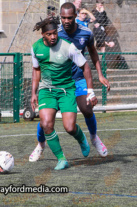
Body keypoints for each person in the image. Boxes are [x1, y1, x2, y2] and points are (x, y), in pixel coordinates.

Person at [29, 2, 111, 163]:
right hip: (55, 83)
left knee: (87, 109)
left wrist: (100, 75)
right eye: (63, 17)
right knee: (45, 119)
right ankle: (41, 144)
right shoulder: (54, 33)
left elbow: (93, 53)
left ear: (75, 16)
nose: (66, 21)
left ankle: (94, 138)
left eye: (69, 17)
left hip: (78, 79)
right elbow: (40, 61)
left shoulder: (86, 33)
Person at [30, 16, 93, 170]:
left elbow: (85, 66)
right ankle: (61, 159)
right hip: (47, 91)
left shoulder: (68, 47)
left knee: (70, 127)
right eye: (49, 34)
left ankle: (81, 138)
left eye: (54, 33)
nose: (53, 37)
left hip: (66, 90)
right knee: (45, 124)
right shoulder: (35, 48)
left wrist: (90, 91)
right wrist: (33, 93)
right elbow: (36, 71)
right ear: (43, 35)